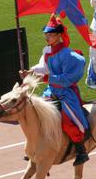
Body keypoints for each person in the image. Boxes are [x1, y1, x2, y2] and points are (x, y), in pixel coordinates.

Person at [24, 15, 91, 166]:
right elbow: (43, 67)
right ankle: (35, 147)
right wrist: (30, 72)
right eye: (46, 34)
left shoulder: (69, 55)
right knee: (36, 113)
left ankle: (81, 150)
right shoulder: (47, 51)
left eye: (51, 34)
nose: (47, 37)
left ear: (59, 35)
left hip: (66, 93)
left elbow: (66, 79)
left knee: (68, 121)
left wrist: (46, 78)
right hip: (51, 90)